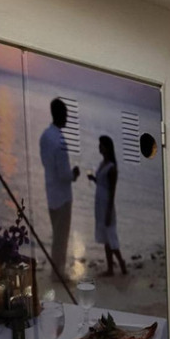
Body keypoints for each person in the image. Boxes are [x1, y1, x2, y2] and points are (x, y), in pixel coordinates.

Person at [38, 98, 79, 278]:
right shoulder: (59, 140)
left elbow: (46, 163)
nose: (67, 118)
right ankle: (58, 273)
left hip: (51, 191)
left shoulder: (45, 136)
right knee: (61, 237)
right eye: (66, 114)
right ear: (60, 114)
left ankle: (56, 271)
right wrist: (74, 174)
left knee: (56, 234)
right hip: (62, 196)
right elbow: (64, 174)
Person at [87, 135, 126, 276]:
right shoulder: (102, 163)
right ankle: (110, 268)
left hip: (106, 204)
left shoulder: (111, 168)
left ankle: (121, 262)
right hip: (100, 203)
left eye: (101, 145)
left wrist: (109, 210)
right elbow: (102, 184)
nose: (99, 147)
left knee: (111, 235)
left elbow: (112, 190)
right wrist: (94, 179)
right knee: (105, 237)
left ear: (107, 148)